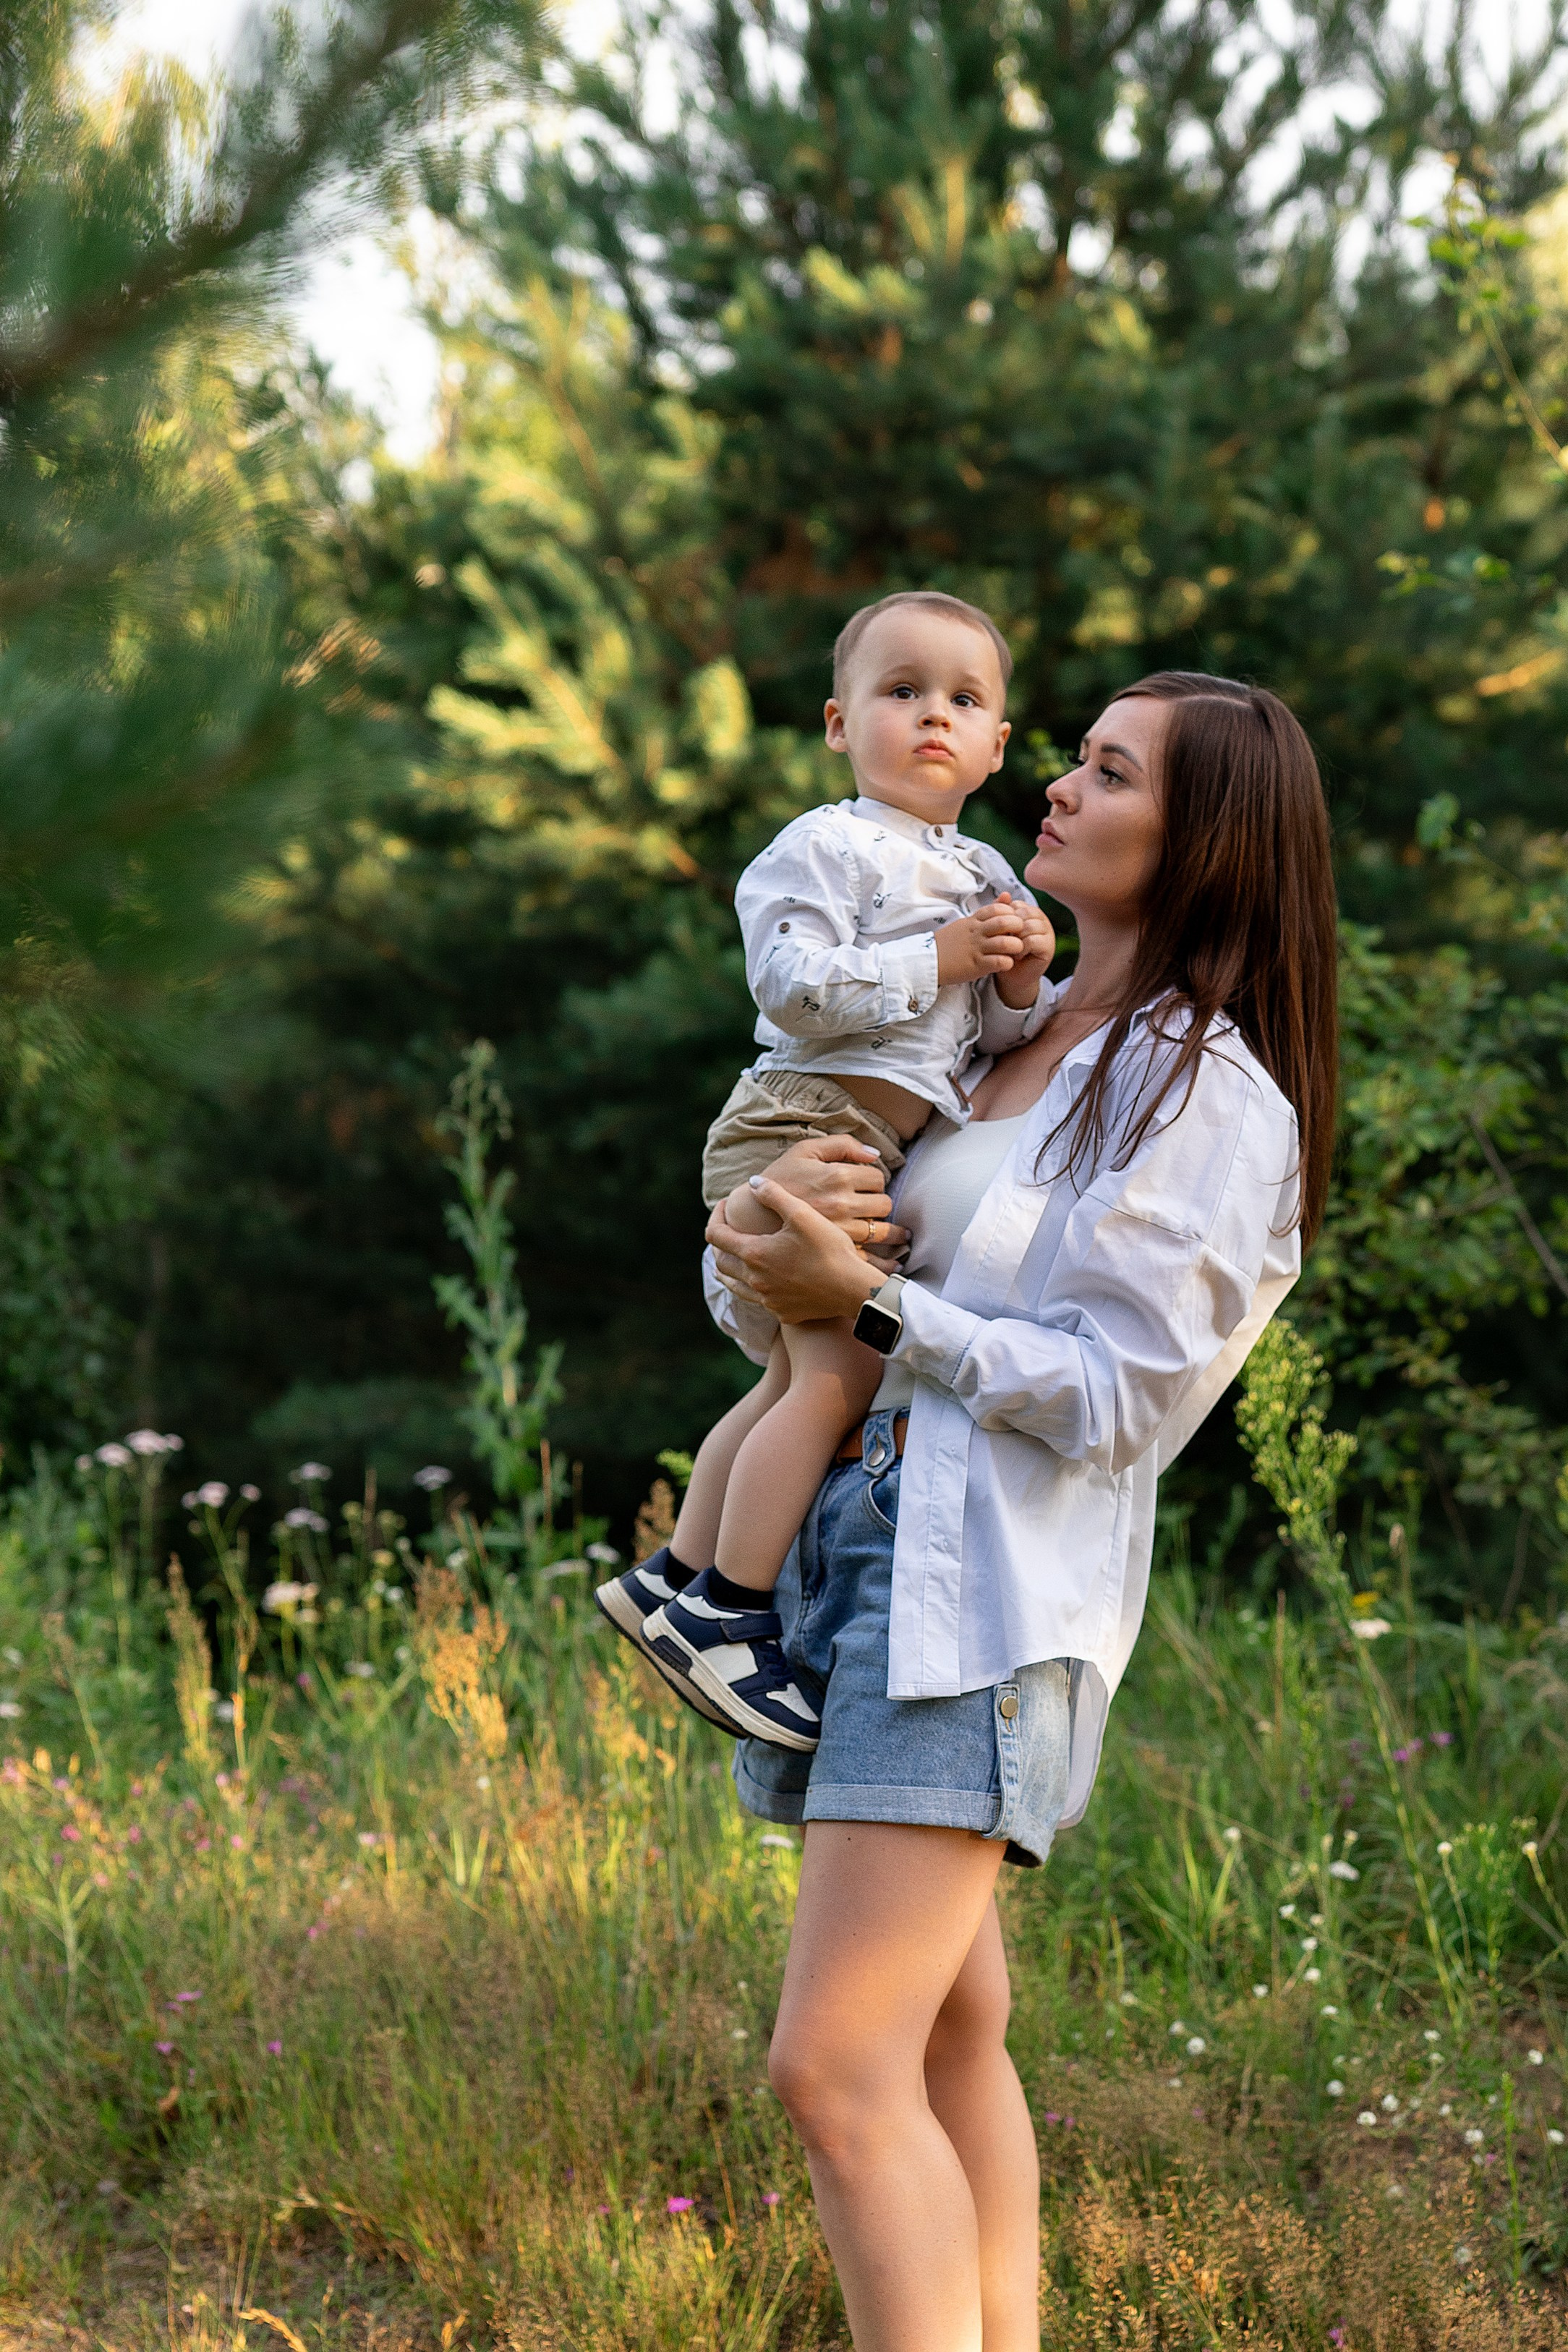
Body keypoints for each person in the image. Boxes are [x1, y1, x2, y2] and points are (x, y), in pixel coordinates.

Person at [700, 672, 1339, 2351]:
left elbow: (1128, 1401)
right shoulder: (998, 1037)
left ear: (1199, 838)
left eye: (1107, 771)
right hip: (857, 1564)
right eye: (1070, 756)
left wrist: (882, 1307)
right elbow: (828, 1304)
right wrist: (770, 1255)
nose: (1053, 782)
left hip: (979, 1604)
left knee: (833, 2069)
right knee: (939, 2043)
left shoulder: (1207, 1091)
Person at [595, 589, 1054, 1747]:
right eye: (901, 692)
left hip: (872, 1142)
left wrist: (1012, 983)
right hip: (796, 1123)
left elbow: (986, 1045)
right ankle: (730, 1614)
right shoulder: (826, 844)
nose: (932, 717)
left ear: (998, 744)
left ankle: (673, 1576)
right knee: (834, 1385)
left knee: (783, 1386)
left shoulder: (992, 871)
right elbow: (791, 986)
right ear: (843, 724)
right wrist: (939, 953)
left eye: (963, 699)